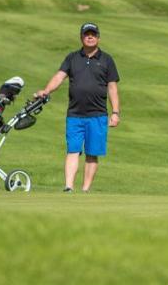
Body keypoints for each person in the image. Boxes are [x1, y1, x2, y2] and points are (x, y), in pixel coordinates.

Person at [36, 23, 120, 192]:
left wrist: (115, 112)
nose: (90, 37)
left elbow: (112, 88)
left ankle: (85, 189)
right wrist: (46, 90)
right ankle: (68, 186)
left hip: (98, 114)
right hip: (75, 114)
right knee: (73, 150)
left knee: (92, 153)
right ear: (81, 37)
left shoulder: (107, 60)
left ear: (98, 37)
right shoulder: (72, 58)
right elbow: (59, 77)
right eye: (86, 34)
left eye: (93, 34)